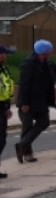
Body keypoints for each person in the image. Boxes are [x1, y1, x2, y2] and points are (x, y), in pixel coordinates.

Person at [0, 45, 14, 178]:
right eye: (4, 53)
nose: (6, 56)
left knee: (2, 139)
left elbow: (6, 89)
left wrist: (7, 107)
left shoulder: (4, 69)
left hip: (2, 107)